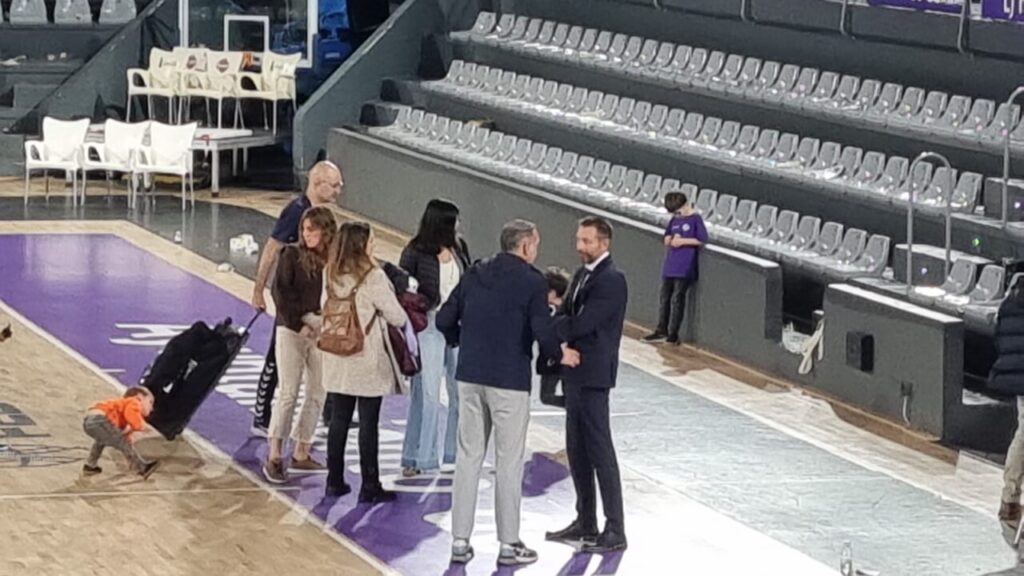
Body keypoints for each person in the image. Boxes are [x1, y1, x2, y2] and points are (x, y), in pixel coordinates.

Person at [437, 219, 578, 566]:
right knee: (508, 463)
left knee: (468, 458)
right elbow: (542, 331)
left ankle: (459, 541)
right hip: (509, 383)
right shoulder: (533, 282)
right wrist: (561, 354)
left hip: (469, 377)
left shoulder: (475, 272)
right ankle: (509, 543)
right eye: (536, 244)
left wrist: (462, 342)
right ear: (526, 246)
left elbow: (443, 320)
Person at [546, 216, 629, 554]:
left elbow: (582, 323)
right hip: (575, 374)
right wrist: (564, 324)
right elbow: (567, 315)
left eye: (587, 241)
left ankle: (615, 527)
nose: (580, 247)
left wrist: (561, 326)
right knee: (577, 450)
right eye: (579, 240)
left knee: (600, 451)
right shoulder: (581, 274)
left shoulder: (612, 280)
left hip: (594, 375)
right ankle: (586, 520)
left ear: (604, 243)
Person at [317, 222, 409, 502]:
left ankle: (334, 480)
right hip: (365, 358)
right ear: (362, 245)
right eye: (371, 241)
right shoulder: (373, 277)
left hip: (335, 354)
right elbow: (397, 316)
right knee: (369, 423)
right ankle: (370, 484)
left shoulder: (329, 273)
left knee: (339, 420)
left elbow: (324, 306)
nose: (374, 246)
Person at [251, 161, 343, 436]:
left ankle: (327, 413)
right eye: (335, 184)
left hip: (315, 301)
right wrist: (258, 289)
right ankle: (261, 413)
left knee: (323, 359)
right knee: (276, 357)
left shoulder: (323, 215)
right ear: (318, 184)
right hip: (290, 298)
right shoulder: (296, 212)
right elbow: (271, 249)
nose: (340, 189)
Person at [261, 206, 337, 484]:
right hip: (292, 329)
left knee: (318, 391)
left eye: (312, 229)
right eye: (305, 229)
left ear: (326, 232)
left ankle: (302, 450)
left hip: (322, 329)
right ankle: (275, 454)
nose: (307, 234)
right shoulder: (290, 255)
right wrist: (300, 325)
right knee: (289, 393)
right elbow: (280, 293)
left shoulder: (333, 261)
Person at [399, 199, 471, 477]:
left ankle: (455, 452)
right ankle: (417, 455)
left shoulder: (459, 249)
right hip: (428, 326)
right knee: (427, 394)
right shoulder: (415, 251)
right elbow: (402, 286)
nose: (459, 226)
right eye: (454, 221)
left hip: (457, 326)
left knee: (460, 393)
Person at [644, 191, 708, 345]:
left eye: (678, 212)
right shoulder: (675, 220)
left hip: (685, 263)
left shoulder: (695, 219)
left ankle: (673, 333)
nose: (677, 215)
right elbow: (667, 235)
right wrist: (669, 239)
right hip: (671, 262)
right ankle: (661, 329)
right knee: (665, 296)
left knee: (677, 298)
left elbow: (702, 239)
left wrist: (683, 241)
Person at [991, 275, 1024, 525]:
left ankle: (1010, 499)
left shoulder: (1008, 304)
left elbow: (999, 336)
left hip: (1017, 381)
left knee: (1022, 436)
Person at [82, 387, 160, 479]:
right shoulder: (134, 402)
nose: (152, 408)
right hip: (99, 419)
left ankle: (90, 465)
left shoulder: (121, 411)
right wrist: (142, 426)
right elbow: (132, 417)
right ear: (139, 397)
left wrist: (129, 438)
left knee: (101, 441)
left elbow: (123, 434)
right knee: (121, 441)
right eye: (150, 402)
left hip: (91, 421)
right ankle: (142, 467)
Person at [538, 267, 570, 408]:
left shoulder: (559, 313)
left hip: (559, 360)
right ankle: (572, 404)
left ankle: (574, 404)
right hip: (551, 360)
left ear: (553, 293)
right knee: (546, 396)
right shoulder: (549, 310)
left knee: (548, 395)